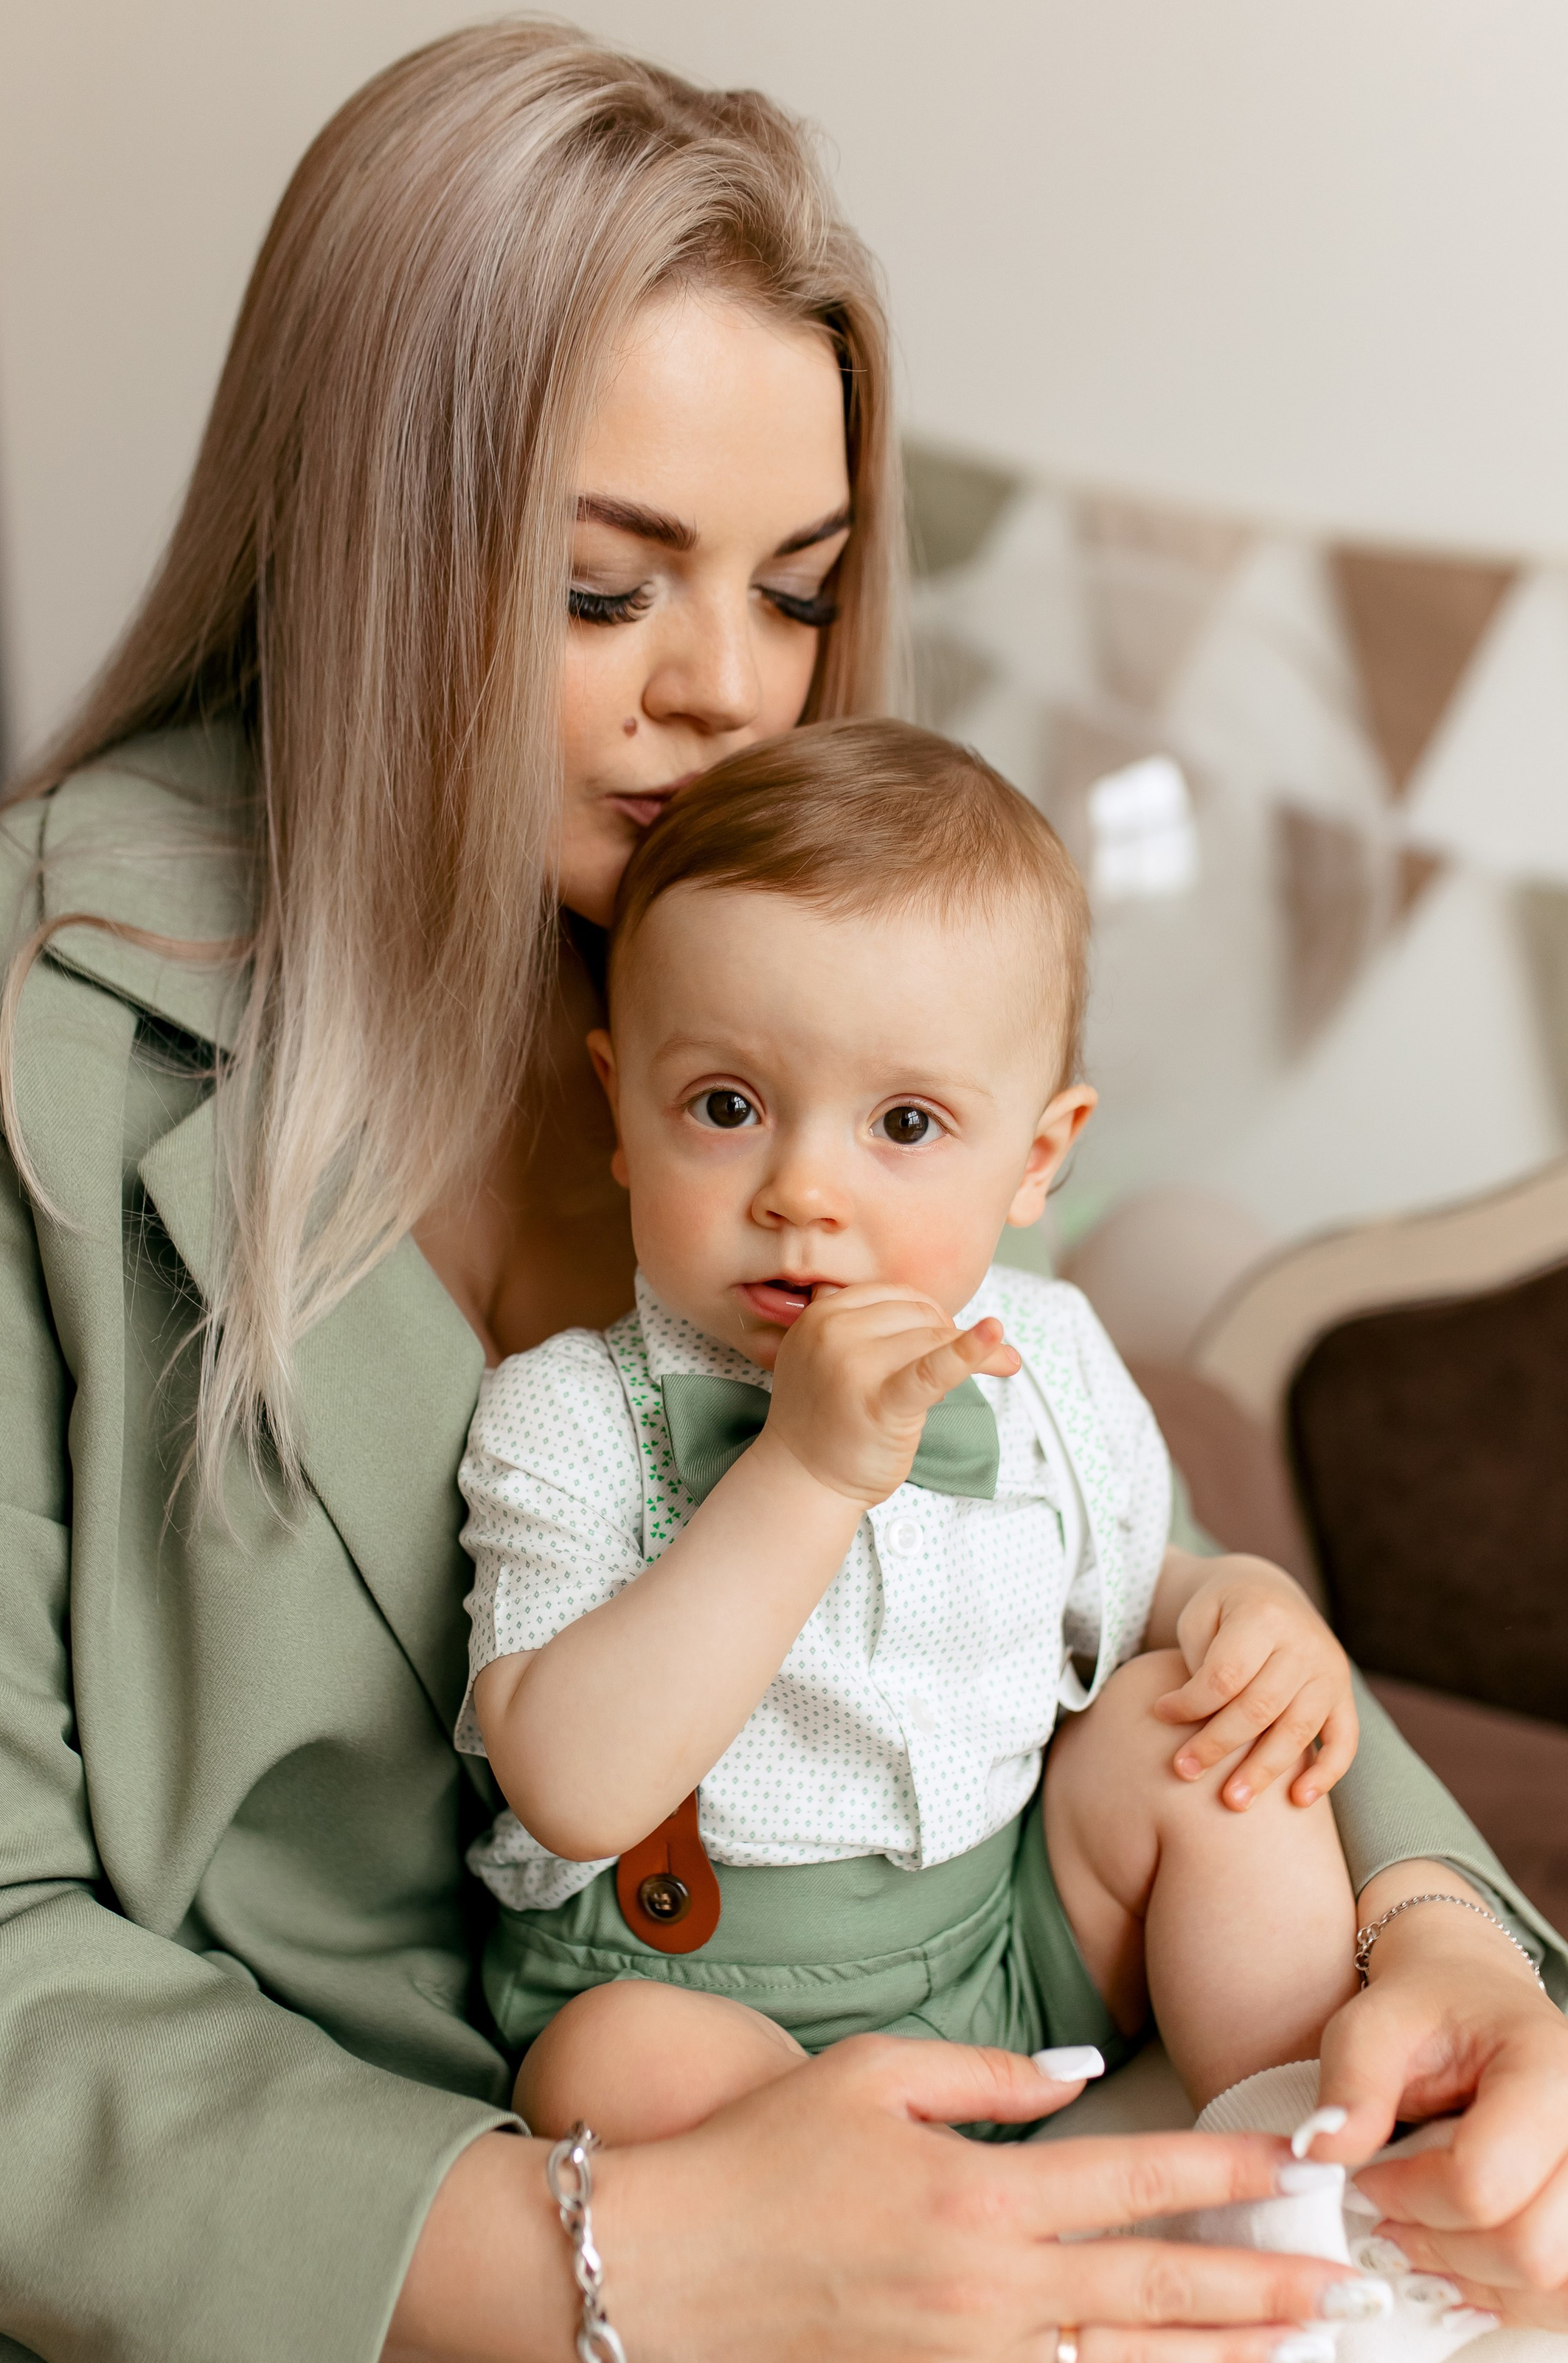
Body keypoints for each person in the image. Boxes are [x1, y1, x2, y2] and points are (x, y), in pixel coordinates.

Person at [0, 18, 1568, 2363]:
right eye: (604, 591)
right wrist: (647, 2258)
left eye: (797, 582)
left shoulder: (794, 990)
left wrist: (1464, 1971)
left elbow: (1114, 1569)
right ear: (368, 546)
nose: (718, 700)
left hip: (907, 2111)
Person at [461, 718, 1370, 2151]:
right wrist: (805, 1469)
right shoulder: (573, 1412)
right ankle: (874, 2212)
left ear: (1039, 1156)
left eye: (901, 1122)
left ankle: (1291, 2149)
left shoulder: (1047, 1358)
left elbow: (1136, 1593)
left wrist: (1240, 1603)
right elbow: (571, 1791)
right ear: (619, 1111)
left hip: (1002, 1955)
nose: (802, 1190)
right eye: (724, 1106)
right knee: (599, 2072)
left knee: (1200, 1749)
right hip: (695, 1985)